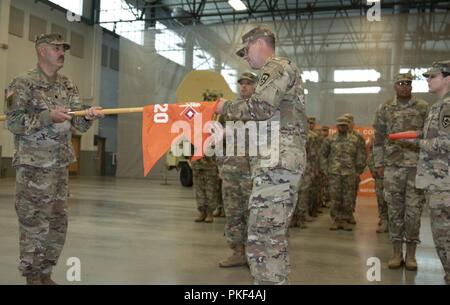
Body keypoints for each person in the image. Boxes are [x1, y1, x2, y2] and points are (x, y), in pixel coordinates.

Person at [4, 33, 104, 285]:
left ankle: (46, 273)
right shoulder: (22, 83)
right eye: (57, 48)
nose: (62, 53)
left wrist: (88, 116)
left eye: (63, 49)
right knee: (33, 223)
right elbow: (14, 123)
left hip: (59, 166)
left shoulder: (68, 84)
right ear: (42, 51)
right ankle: (31, 276)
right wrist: (48, 117)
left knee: (57, 223)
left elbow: (78, 126)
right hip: (33, 167)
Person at [216, 26, 307, 284]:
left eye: (246, 51)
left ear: (258, 43)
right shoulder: (277, 71)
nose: (245, 58)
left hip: (277, 164)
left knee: (263, 237)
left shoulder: (275, 66)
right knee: (270, 236)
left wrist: (225, 107)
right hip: (275, 162)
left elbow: (261, 107)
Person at [372, 72, 428, 270]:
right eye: (401, 83)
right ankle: (397, 254)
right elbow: (378, 140)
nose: (405, 86)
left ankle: (411, 255)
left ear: (411, 86)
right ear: (395, 86)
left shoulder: (422, 108)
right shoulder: (385, 108)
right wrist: (379, 164)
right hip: (393, 168)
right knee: (395, 212)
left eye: (408, 83)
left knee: (413, 212)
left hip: (416, 169)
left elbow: (429, 138)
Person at [414, 61, 450, 283]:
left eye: (433, 76)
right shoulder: (439, 105)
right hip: (440, 183)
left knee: (445, 240)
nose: (428, 79)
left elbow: (447, 142)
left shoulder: (447, 106)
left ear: (447, 78)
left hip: (444, 185)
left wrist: (418, 140)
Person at [216, 72, 257, 268]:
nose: (244, 87)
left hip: (252, 172)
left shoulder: (261, 110)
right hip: (231, 170)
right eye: (241, 84)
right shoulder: (230, 112)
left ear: (256, 86)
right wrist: (220, 164)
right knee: (233, 213)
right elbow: (219, 140)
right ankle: (238, 252)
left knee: (253, 213)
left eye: (249, 84)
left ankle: (253, 254)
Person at [320, 117, 366, 231]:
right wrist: (325, 170)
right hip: (334, 173)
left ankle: (345, 220)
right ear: (337, 126)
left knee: (348, 198)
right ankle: (336, 220)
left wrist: (358, 170)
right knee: (335, 198)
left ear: (348, 126)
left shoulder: (355, 140)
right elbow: (323, 156)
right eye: (340, 125)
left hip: (350, 174)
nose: (342, 127)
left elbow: (361, 155)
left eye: (345, 125)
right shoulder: (330, 140)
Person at [342, 113, 366, 224]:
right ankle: (339, 216)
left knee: (351, 193)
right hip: (338, 171)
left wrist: (359, 170)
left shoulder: (358, 137)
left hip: (353, 171)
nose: (347, 124)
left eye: (349, 122)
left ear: (353, 124)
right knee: (338, 194)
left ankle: (349, 213)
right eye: (345, 122)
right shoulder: (337, 136)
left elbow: (362, 154)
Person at [367, 135, 388, 233]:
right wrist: (374, 171)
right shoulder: (378, 141)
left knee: (394, 201)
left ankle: (393, 223)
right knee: (381, 199)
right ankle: (384, 220)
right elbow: (371, 158)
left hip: (394, 177)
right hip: (380, 177)